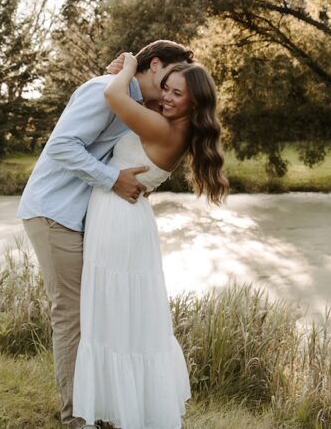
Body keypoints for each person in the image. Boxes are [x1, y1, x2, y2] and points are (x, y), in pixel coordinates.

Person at [17, 40, 195, 429]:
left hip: (83, 217)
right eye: (168, 80)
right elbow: (63, 145)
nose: (169, 92)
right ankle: (75, 418)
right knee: (71, 317)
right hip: (54, 211)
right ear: (154, 64)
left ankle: (99, 406)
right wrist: (112, 179)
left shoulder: (136, 101)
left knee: (96, 315)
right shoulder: (104, 89)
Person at [72, 53, 229, 429]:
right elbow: (133, 103)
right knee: (124, 316)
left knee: (117, 314)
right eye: (166, 90)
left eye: (178, 94)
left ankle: (128, 413)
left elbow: (114, 97)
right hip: (123, 216)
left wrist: (127, 68)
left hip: (119, 219)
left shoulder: (164, 128)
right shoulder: (171, 125)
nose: (168, 98)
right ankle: (127, 410)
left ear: (195, 103)